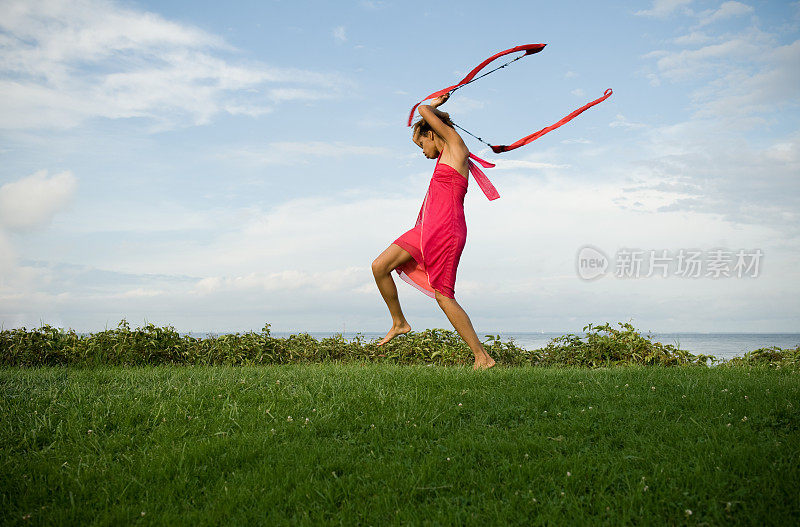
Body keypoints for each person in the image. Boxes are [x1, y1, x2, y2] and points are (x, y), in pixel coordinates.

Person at [371, 92, 496, 371]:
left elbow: (425, 110)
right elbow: (423, 120)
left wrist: (434, 105)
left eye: (421, 145)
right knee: (379, 266)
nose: (423, 153)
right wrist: (424, 119)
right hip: (426, 228)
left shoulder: (455, 147)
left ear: (431, 133)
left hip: (446, 231)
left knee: (443, 294)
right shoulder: (445, 156)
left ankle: (482, 357)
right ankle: (399, 323)